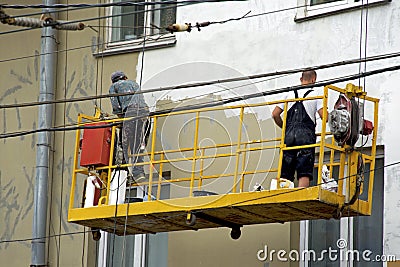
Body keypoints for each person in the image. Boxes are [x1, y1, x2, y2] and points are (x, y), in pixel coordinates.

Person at [272, 70, 326, 188]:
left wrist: (285, 128)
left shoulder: (288, 94)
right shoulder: (316, 95)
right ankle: (301, 191)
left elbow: (275, 114)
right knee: (304, 169)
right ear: (313, 80)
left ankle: (283, 194)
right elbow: (324, 117)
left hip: (289, 136)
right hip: (306, 136)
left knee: (286, 167)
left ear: (301, 79)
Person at [109, 71, 149, 181]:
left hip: (130, 116)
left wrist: (121, 120)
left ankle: (123, 172)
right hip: (144, 117)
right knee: (139, 145)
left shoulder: (114, 87)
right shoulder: (135, 84)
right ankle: (139, 173)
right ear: (125, 77)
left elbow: (116, 107)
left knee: (123, 145)